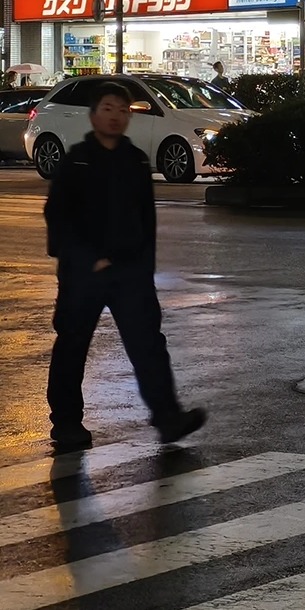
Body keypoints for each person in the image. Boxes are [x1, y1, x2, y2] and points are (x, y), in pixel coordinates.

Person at [42, 81, 204, 452]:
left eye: (123, 110)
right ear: (93, 114)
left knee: (148, 344)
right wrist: (86, 259)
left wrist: (145, 266)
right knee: (72, 346)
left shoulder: (135, 160)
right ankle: (66, 422)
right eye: (109, 108)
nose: (116, 117)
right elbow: (58, 216)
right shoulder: (77, 160)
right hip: (84, 274)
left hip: (130, 271)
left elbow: (147, 220)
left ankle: (168, 418)